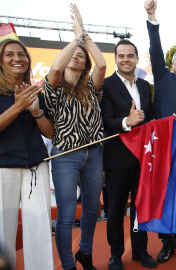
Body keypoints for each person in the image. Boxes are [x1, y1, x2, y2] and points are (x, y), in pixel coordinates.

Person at [43, 4, 106, 270]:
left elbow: (101, 63)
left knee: (93, 208)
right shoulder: (53, 86)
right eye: (73, 53)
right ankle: (68, 265)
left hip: (94, 154)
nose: (77, 57)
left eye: (81, 55)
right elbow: (56, 69)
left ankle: (86, 254)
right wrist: (75, 38)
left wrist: (85, 36)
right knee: (67, 214)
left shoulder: (92, 87)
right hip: (65, 156)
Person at [144, 0, 176, 263]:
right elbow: (156, 50)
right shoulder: (164, 77)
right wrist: (153, 18)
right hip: (163, 144)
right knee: (163, 191)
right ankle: (165, 241)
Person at [100, 39, 156, 270]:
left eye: (130, 55)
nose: (126, 59)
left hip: (142, 158)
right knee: (115, 208)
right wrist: (126, 121)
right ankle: (115, 254)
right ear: (115, 59)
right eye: (121, 56)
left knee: (141, 206)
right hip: (116, 159)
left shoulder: (144, 86)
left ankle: (140, 250)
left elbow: (150, 119)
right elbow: (104, 121)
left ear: (136, 59)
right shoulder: (105, 85)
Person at [0, 39, 54, 270]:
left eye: (21, 55)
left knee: (40, 228)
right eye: (9, 55)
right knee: (3, 232)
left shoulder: (35, 91)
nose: (17, 59)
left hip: (36, 166)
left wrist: (36, 111)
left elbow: (50, 133)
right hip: (4, 169)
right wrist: (17, 106)